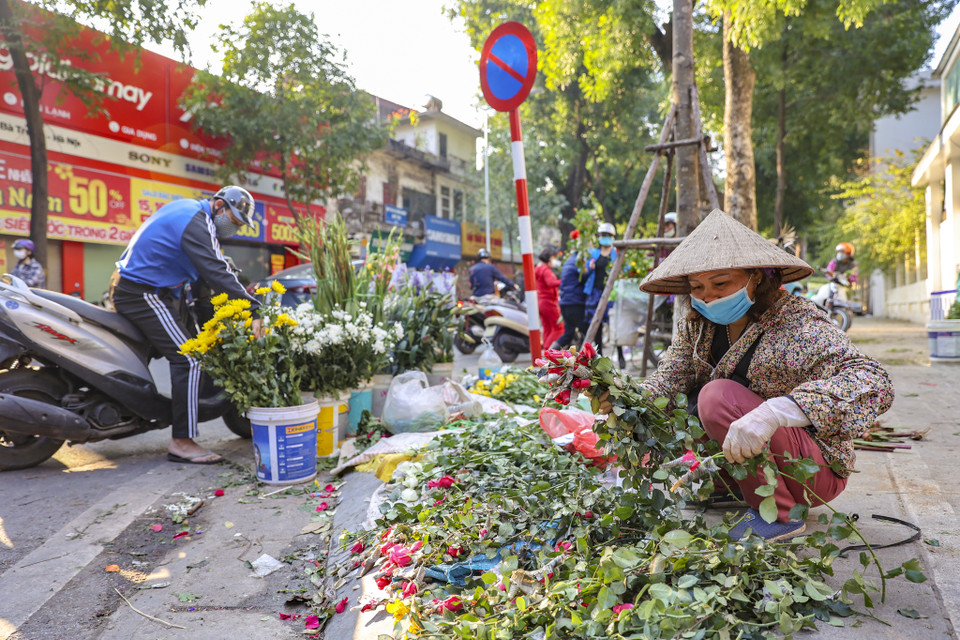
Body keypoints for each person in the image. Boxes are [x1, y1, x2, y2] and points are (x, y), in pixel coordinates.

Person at [620, 210, 893, 541]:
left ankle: (778, 514)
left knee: (716, 396)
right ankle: (725, 484)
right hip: (748, 461)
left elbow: (874, 382)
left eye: (721, 283)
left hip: (810, 472)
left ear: (758, 277)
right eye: (697, 287)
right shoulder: (697, 327)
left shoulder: (799, 324)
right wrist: (615, 401)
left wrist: (777, 412)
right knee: (683, 404)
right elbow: (665, 385)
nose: (707, 296)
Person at [113, 186, 261, 465]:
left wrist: (211, 329)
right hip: (142, 293)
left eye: (241, 225)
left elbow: (202, 282)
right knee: (190, 359)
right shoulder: (196, 221)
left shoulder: (193, 216)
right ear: (219, 206)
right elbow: (217, 270)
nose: (236, 229)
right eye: (236, 221)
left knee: (196, 348)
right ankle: (181, 441)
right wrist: (252, 306)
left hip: (157, 291)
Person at [583, 222, 618, 357]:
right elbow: (584, 274)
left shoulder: (616, 254)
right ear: (599, 237)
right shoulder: (593, 254)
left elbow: (624, 271)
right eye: (603, 235)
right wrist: (589, 268)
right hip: (595, 293)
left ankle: (620, 353)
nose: (606, 238)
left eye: (608, 235)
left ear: (613, 237)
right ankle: (600, 355)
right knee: (596, 324)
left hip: (611, 294)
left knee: (614, 323)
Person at [551, 251, 588, 349]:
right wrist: (591, 269)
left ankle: (548, 354)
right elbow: (584, 276)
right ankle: (584, 359)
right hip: (575, 303)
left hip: (565, 303)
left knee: (569, 333)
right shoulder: (578, 263)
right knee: (586, 331)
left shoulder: (568, 261)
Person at [534, 246, 564, 349]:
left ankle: (545, 351)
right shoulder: (545, 270)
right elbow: (551, 283)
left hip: (540, 302)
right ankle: (548, 350)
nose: (555, 259)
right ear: (549, 257)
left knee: (548, 328)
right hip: (548, 302)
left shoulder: (537, 268)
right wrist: (564, 281)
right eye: (554, 257)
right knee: (559, 328)